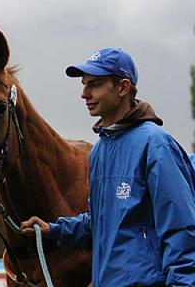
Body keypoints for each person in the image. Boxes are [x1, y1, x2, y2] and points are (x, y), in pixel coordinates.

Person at [20, 48, 195, 286]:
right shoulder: (101, 150)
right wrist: (54, 230)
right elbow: (99, 223)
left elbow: (182, 230)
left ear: (123, 88)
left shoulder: (155, 145)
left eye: (94, 84)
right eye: (83, 85)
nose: (84, 93)